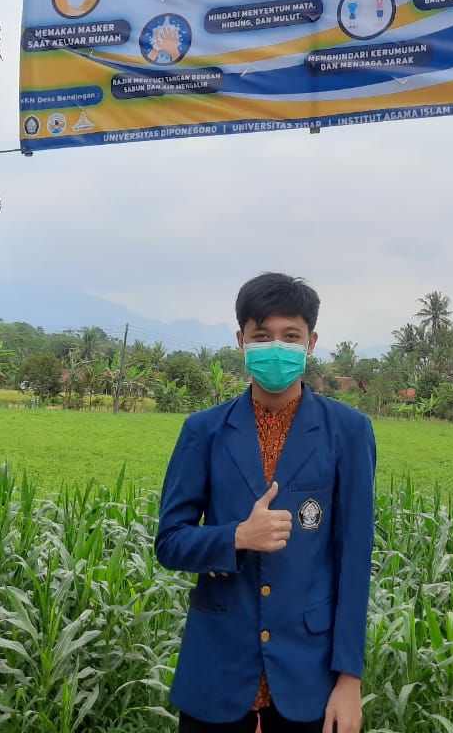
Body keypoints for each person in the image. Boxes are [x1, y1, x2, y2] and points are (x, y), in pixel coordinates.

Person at [155, 273, 377, 733]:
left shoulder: (348, 432)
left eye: (290, 336)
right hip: (216, 673)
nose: (276, 347)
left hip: (310, 679)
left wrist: (349, 680)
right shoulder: (204, 431)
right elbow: (170, 542)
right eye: (262, 336)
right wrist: (236, 537)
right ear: (241, 341)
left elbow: (354, 560)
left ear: (311, 342)